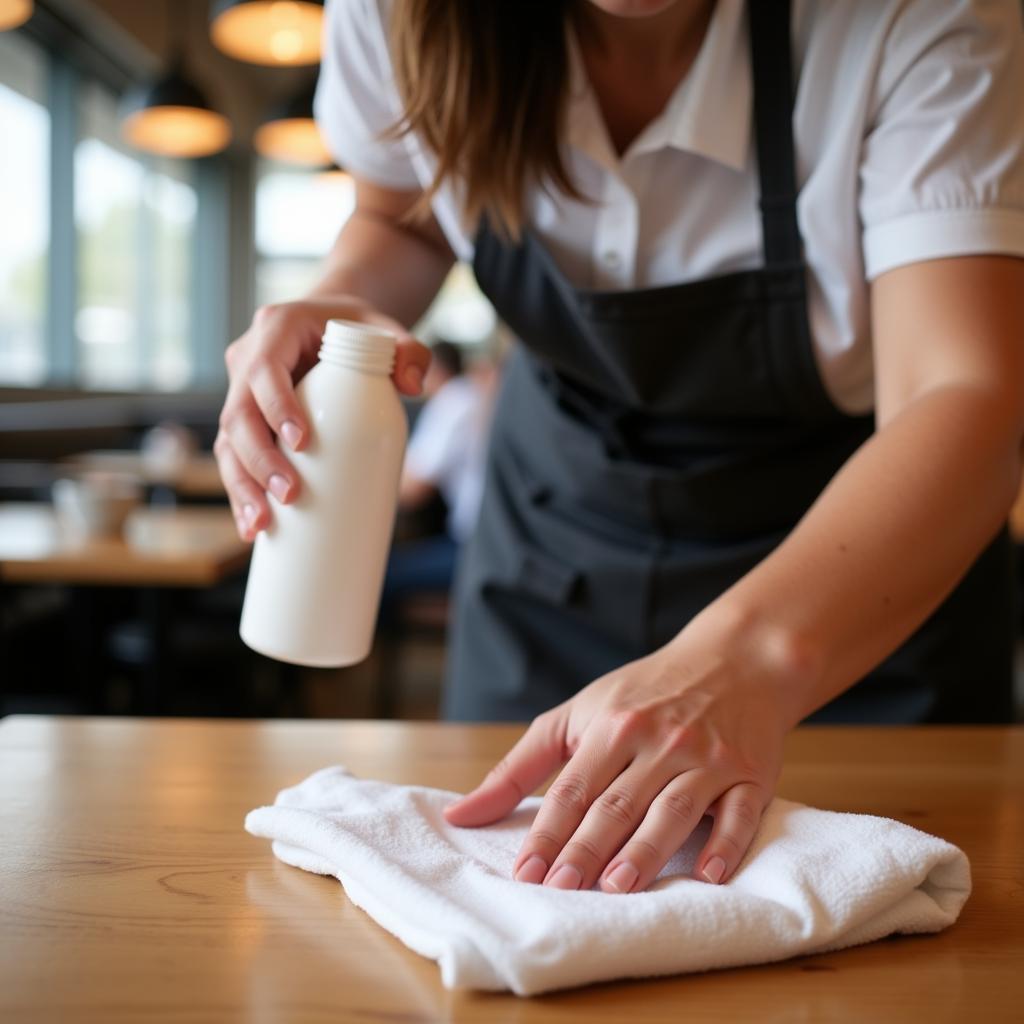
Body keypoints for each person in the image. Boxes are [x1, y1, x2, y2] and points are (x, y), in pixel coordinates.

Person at [216, 0, 1024, 895]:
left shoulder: (922, 17)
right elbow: (403, 215)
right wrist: (347, 296)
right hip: (553, 550)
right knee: (499, 899)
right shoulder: (400, 12)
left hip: (851, 573)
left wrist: (749, 662)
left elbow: (963, 392)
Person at [382, 339, 491, 603]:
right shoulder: (467, 396)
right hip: (479, 540)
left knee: (380, 574)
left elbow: (413, 490)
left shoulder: (455, 401)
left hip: (473, 549)